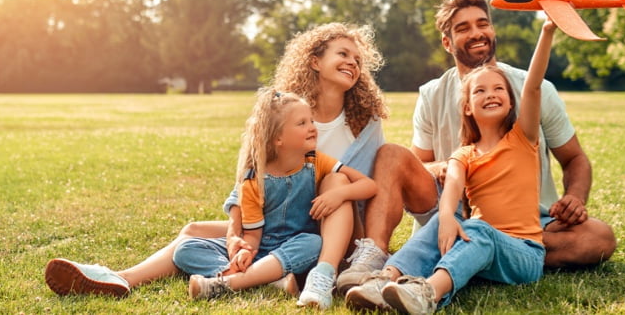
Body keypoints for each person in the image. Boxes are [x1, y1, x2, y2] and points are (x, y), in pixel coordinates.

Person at [44, 22, 389, 298]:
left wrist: (339, 197)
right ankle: (122, 278)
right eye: (343, 54)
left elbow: (365, 184)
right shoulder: (283, 114)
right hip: (270, 223)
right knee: (192, 232)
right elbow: (248, 180)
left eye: (358, 60)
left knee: (334, 181)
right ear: (315, 61)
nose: (353, 63)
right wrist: (237, 238)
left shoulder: (364, 122)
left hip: (324, 228)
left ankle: (256, 276)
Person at [337, 0, 616, 292]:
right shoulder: (432, 94)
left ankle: (474, 252)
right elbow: (418, 166)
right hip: (451, 209)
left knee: (598, 238)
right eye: (463, 28)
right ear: (447, 42)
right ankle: (375, 259)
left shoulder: (532, 89)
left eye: (482, 23)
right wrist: (448, 167)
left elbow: (575, 158)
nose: (476, 33)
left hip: (527, 220)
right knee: (391, 154)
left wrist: (574, 198)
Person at [346, 19, 556, 313]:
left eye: (499, 89)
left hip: (524, 255)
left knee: (478, 229)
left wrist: (546, 32)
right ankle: (383, 281)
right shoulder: (464, 154)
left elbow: (533, 86)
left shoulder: (523, 139)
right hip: (480, 250)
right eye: (480, 91)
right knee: (443, 224)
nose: (491, 94)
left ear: (511, 102)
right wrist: (445, 216)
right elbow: (452, 188)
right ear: (468, 106)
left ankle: (427, 293)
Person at [178, 88, 376, 309]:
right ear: (277, 138)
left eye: (311, 121)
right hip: (263, 250)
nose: (312, 127)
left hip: (298, 247)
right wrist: (246, 250)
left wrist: (339, 194)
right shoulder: (254, 180)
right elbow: (253, 235)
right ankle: (263, 279)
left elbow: (369, 185)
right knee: (186, 249)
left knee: (314, 242)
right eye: (302, 123)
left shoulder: (317, 161)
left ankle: (229, 282)